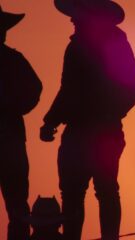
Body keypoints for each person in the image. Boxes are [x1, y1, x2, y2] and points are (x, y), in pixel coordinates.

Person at [40, 1, 135, 239]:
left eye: (77, 15)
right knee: (82, 192)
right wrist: (51, 120)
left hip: (97, 132)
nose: (72, 20)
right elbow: (67, 91)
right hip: (84, 130)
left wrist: (110, 112)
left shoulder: (113, 45)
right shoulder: (79, 46)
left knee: (102, 191)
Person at [0, 5, 42, 240]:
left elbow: (34, 90)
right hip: (11, 140)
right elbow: (35, 89)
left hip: (11, 140)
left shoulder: (15, 60)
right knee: (17, 206)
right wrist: (13, 109)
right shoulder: (14, 60)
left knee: (17, 206)